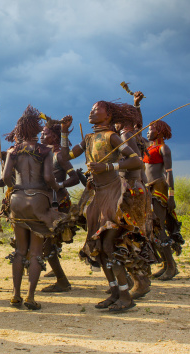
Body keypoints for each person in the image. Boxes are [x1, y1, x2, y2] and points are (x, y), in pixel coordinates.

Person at [61, 100, 143, 313]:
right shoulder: (88, 139)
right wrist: (63, 133)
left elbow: (136, 161)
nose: (91, 111)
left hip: (113, 193)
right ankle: (114, 292)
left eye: (97, 109)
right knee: (98, 249)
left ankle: (125, 296)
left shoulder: (111, 137)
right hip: (96, 195)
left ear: (108, 116)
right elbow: (65, 156)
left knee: (108, 246)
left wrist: (108, 165)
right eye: (91, 109)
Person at [2, 105, 66, 310]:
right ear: (37, 130)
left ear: (20, 130)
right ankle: (30, 297)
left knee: (20, 250)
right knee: (35, 252)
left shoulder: (13, 150)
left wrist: (17, 184)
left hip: (17, 200)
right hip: (38, 200)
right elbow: (48, 177)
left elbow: (5, 178)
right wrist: (57, 187)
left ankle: (15, 295)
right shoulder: (45, 151)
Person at [114, 91, 156, 296]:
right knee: (135, 233)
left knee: (129, 235)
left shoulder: (124, 136)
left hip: (130, 189)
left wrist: (108, 166)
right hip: (139, 188)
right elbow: (138, 124)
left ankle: (141, 281)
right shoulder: (135, 134)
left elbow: (133, 163)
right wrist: (136, 106)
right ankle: (136, 280)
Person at [39, 120, 80, 293]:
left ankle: (62, 281)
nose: (42, 136)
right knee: (45, 244)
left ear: (54, 137)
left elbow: (75, 178)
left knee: (47, 244)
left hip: (57, 204)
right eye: (41, 133)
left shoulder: (59, 156)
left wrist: (58, 184)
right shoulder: (43, 155)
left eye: (45, 133)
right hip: (43, 204)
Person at [143, 119, 184, 281]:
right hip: (148, 189)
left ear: (159, 131)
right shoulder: (149, 147)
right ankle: (165, 264)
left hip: (159, 189)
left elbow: (169, 173)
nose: (148, 131)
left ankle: (171, 266)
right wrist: (136, 106)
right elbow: (137, 133)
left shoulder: (163, 148)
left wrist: (171, 195)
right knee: (153, 229)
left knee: (158, 227)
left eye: (151, 129)